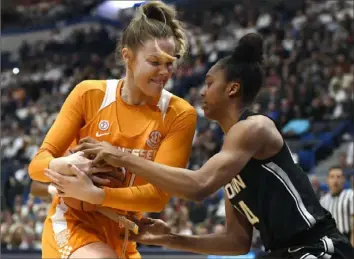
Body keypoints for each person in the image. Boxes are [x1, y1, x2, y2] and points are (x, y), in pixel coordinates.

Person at [59, 33, 354, 258]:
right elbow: (236, 242)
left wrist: (121, 156)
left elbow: (199, 186)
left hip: (317, 246)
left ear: (232, 88)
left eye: (210, 83)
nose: (202, 91)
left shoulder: (255, 127)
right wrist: (170, 239)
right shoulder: (229, 157)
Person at [28, 1, 197, 259]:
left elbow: (157, 197)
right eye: (155, 62)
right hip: (73, 223)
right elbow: (37, 165)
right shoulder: (90, 94)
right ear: (127, 56)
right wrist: (65, 164)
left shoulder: (180, 114)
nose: (165, 72)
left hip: (123, 233)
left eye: (170, 63)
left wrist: (96, 194)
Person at [320, 166, 354, 246]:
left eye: (338, 177)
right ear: (327, 180)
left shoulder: (350, 195)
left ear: (343, 180)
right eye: (332, 177)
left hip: (347, 239)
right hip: (331, 241)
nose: (335, 180)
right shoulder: (323, 200)